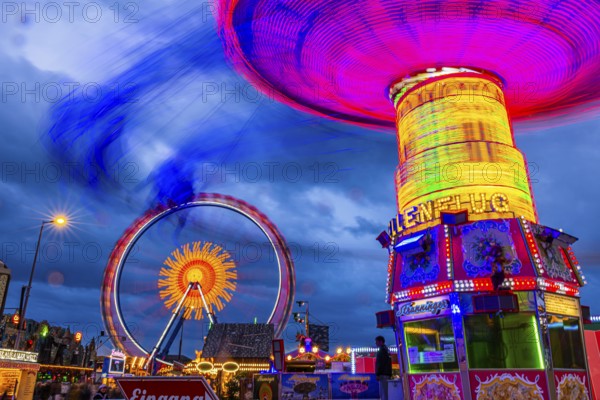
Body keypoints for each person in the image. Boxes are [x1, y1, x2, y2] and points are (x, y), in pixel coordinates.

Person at [375, 336, 392, 400]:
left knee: (383, 393)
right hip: (387, 373)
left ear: (380, 342)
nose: (375, 343)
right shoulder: (386, 349)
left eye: (376, 341)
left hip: (383, 374)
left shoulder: (381, 351)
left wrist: (378, 374)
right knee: (386, 392)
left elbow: (380, 363)